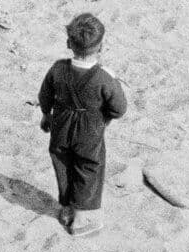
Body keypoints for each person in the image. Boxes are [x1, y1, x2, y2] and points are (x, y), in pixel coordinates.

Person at [38, 12, 127, 237]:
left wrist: (46, 115)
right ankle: (80, 218)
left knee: (63, 161)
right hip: (89, 128)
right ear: (101, 47)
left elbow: (45, 95)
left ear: (69, 43)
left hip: (61, 123)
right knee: (88, 166)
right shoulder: (105, 77)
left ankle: (67, 207)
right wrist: (105, 118)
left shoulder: (58, 68)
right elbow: (119, 108)